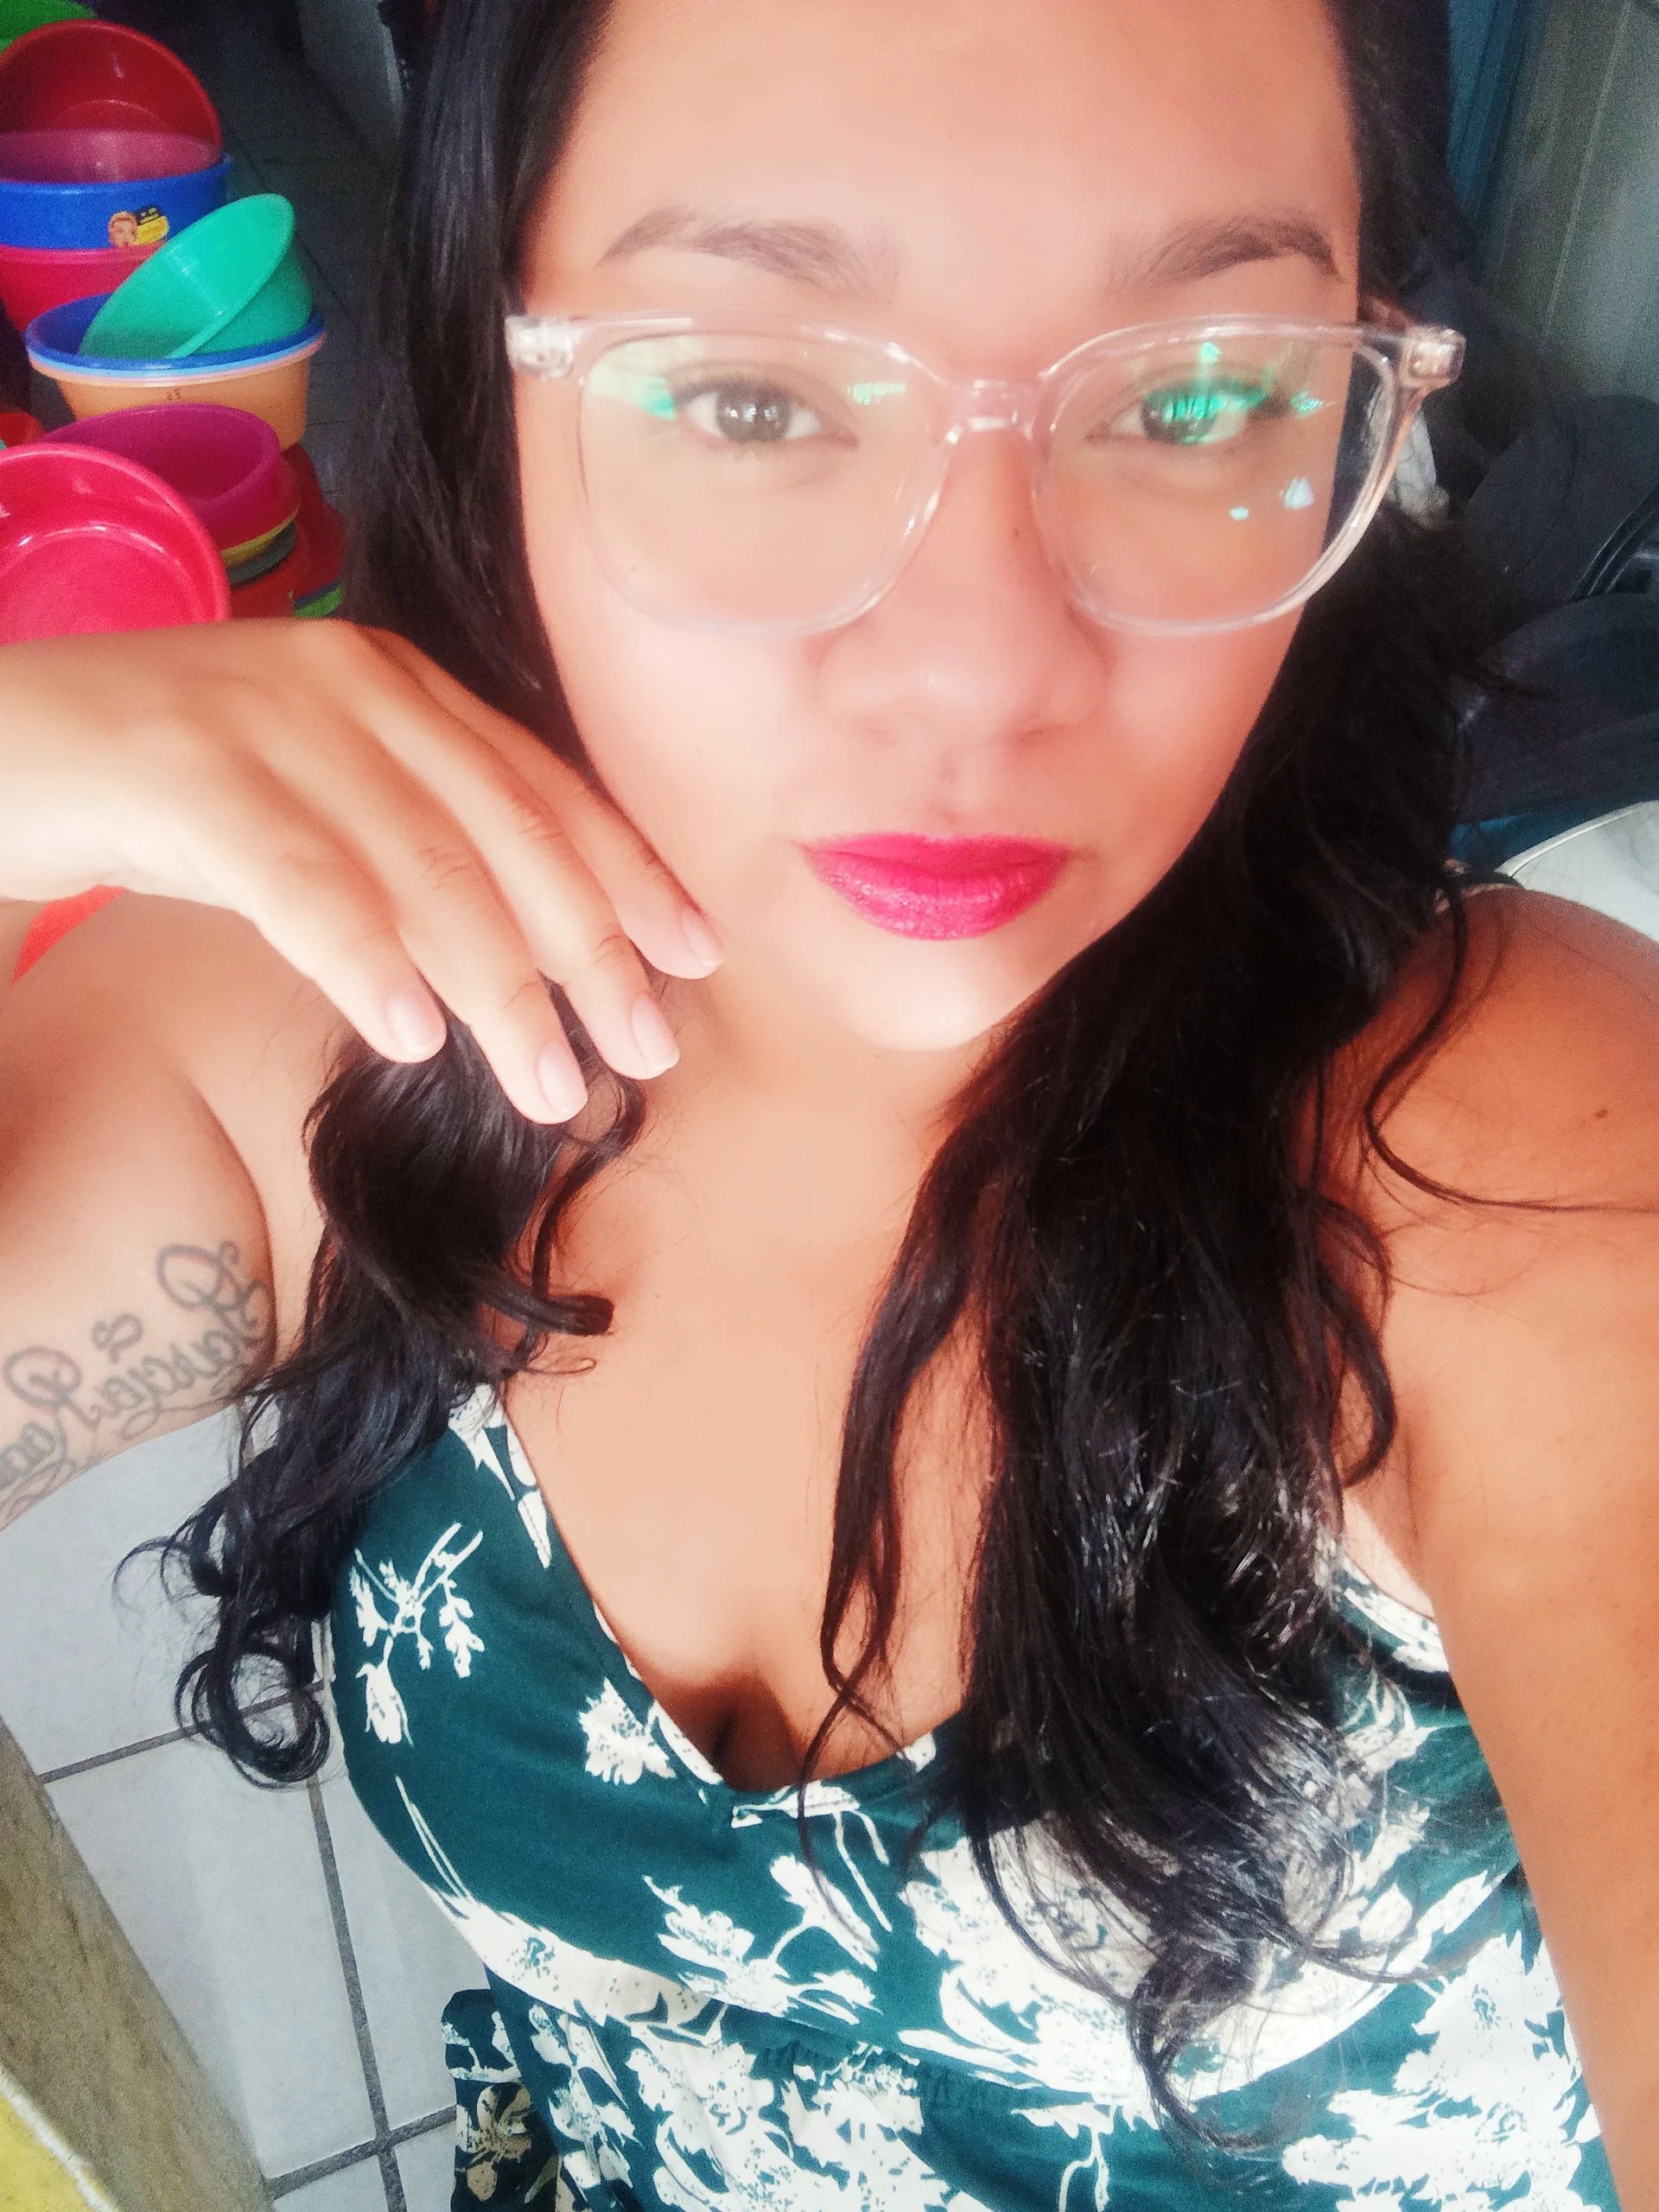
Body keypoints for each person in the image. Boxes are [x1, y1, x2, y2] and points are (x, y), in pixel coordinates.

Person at [0, 0, 1655, 2203]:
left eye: (1195, 395)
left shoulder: (1509, 1155)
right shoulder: (344, 1003)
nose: (979, 666)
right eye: (755, 395)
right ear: (497, 372)